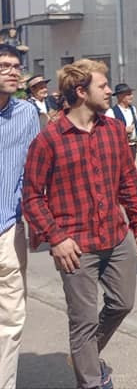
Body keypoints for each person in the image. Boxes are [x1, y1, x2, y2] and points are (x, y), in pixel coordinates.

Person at [22, 59, 137, 389]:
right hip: (75, 246)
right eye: (103, 86)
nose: (110, 90)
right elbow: (32, 196)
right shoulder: (49, 140)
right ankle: (92, 381)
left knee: (123, 303)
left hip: (116, 236)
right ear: (81, 92)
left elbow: (128, 182)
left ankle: (85, 355)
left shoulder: (114, 130)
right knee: (83, 321)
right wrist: (56, 238)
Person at [0, 47, 39, 389]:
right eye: (4, 66)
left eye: (16, 67)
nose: (13, 72)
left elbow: (34, 172)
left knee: (11, 319)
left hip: (9, 230)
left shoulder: (27, 113)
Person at [110, 83, 137, 159]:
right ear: (120, 96)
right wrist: (123, 130)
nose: (131, 97)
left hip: (132, 146)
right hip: (120, 146)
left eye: (131, 94)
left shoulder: (132, 109)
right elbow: (109, 131)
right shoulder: (112, 112)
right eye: (128, 94)